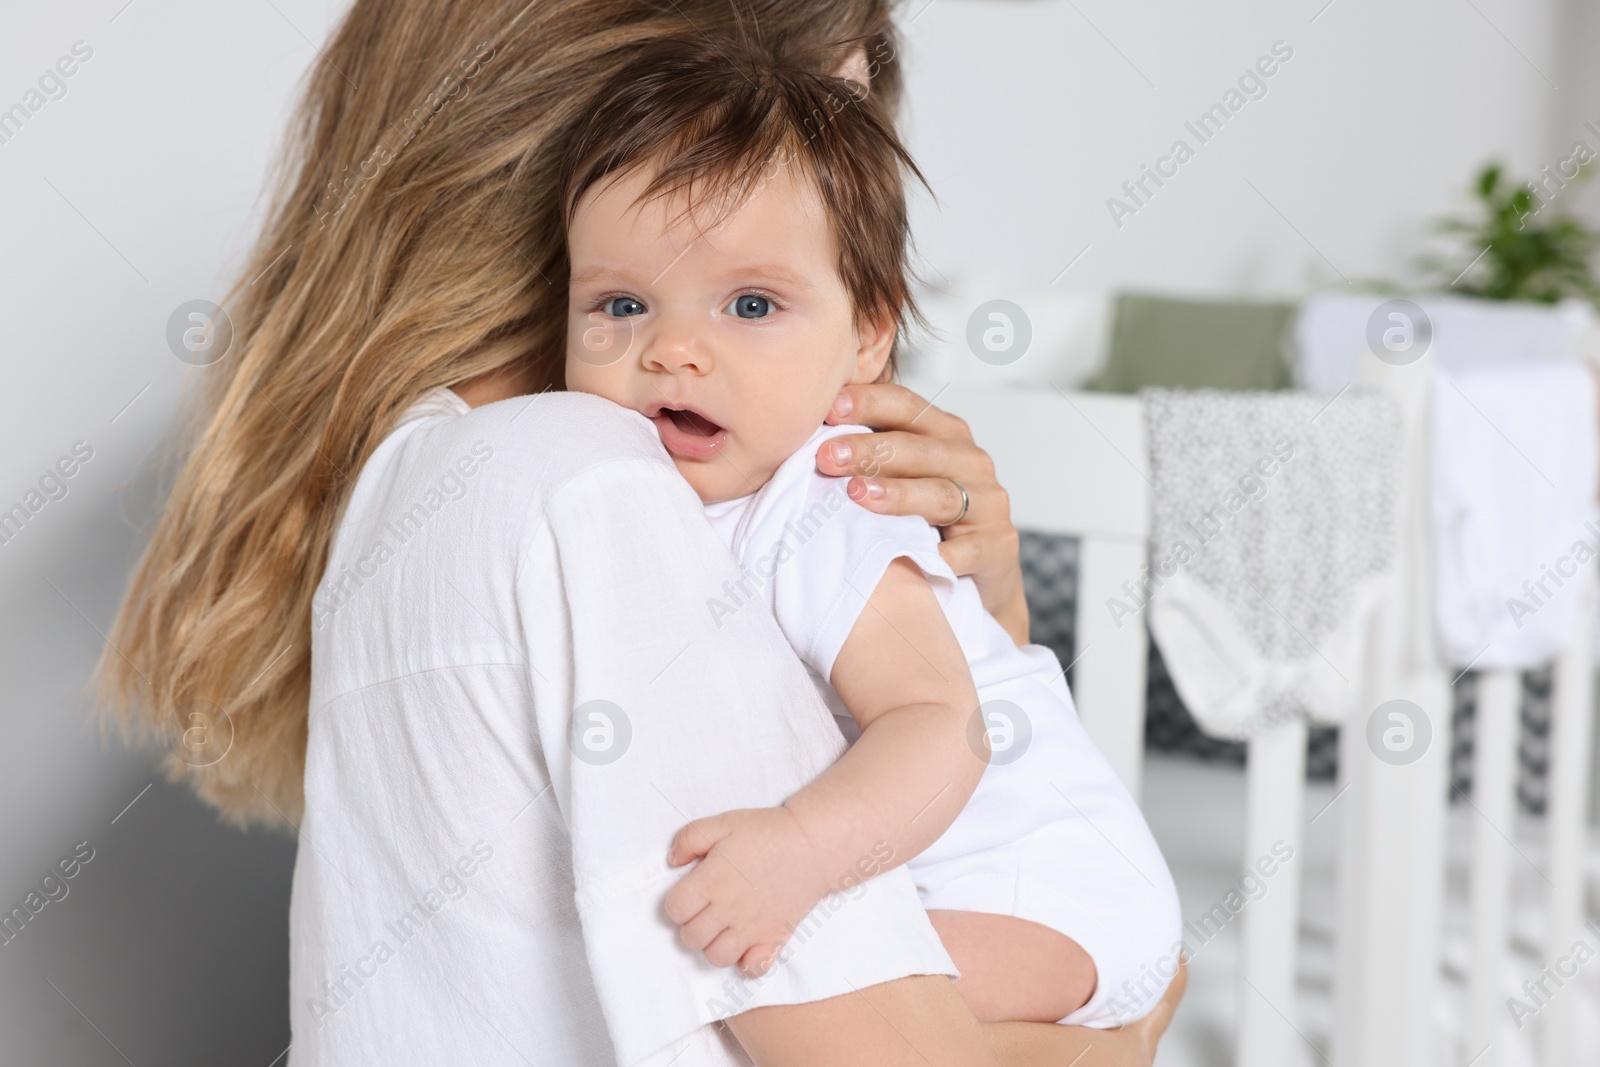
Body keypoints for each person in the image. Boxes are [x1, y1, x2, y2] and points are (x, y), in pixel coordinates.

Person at [95, 1, 1184, 1064]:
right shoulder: (593, 487)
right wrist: (1126, 1034)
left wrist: (981, 616)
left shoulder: (420, 471)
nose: (855, 170)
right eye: (624, 304)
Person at [558, 34, 1183, 1029]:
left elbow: (944, 726)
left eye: (751, 303)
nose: (672, 346)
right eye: (620, 303)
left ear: (866, 335)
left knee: (773, 992)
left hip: (1039, 886)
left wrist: (801, 847)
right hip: (924, 872)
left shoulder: (829, 503)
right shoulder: (637, 491)